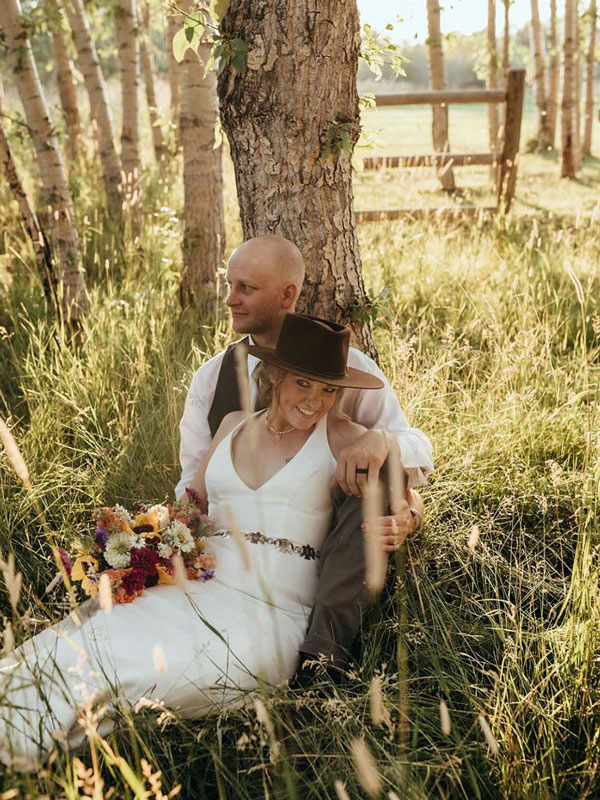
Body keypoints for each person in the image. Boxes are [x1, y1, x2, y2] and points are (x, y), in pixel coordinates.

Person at [0, 314, 422, 770]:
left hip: (270, 617)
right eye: (304, 383)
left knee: (132, 670)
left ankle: (16, 745)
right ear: (275, 375)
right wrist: (139, 548)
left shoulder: (343, 437)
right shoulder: (234, 425)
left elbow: (409, 490)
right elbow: (189, 508)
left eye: (328, 390)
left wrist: (408, 514)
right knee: (93, 640)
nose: (316, 401)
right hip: (195, 591)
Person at [176, 234, 433, 675]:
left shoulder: (351, 370)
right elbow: (191, 485)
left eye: (246, 288)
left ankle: (326, 648)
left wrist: (385, 448)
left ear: (287, 295)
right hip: (216, 565)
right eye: (230, 284)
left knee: (365, 471)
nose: (230, 299)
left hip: (306, 562)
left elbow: (414, 451)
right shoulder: (213, 379)